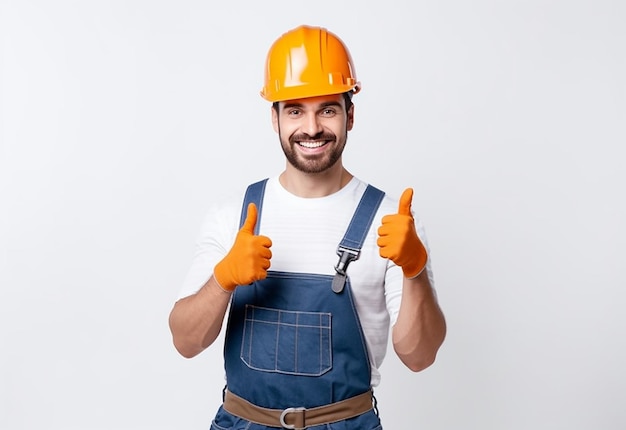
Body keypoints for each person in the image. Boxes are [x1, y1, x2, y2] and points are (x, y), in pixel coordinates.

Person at [168, 24, 446, 429]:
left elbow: (420, 357)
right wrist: (223, 278)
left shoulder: (391, 220)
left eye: (327, 109)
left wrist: (415, 269)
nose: (312, 127)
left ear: (350, 115)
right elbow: (185, 342)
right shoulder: (233, 215)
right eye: (295, 109)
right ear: (275, 117)